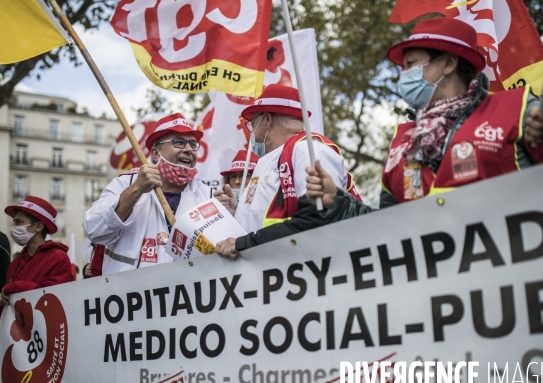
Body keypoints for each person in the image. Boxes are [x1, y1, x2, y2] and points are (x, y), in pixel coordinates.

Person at [305, 17, 543, 218]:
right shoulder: (402, 144)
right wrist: (338, 202)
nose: (403, 76)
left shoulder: (517, 108)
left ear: (449, 63)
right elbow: (386, 228)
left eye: (411, 65)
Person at [215, 85, 361, 259]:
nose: (251, 133)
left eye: (252, 124)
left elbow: (318, 220)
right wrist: (238, 211)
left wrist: (245, 244)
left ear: (266, 120)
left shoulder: (310, 150)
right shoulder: (270, 159)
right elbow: (263, 216)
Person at [83, 113, 213, 274]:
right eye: (179, 143)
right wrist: (138, 188)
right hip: (130, 296)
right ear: (156, 153)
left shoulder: (209, 196)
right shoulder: (125, 184)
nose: (188, 149)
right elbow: (94, 230)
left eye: (193, 145)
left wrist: (232, 213)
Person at [1, 196, 71, 307]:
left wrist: (11, 288)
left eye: (19, 222)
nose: (14, 227)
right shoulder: (15, 263)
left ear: (38, 226)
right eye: (14, 222)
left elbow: (50, 298)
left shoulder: (58, 258)